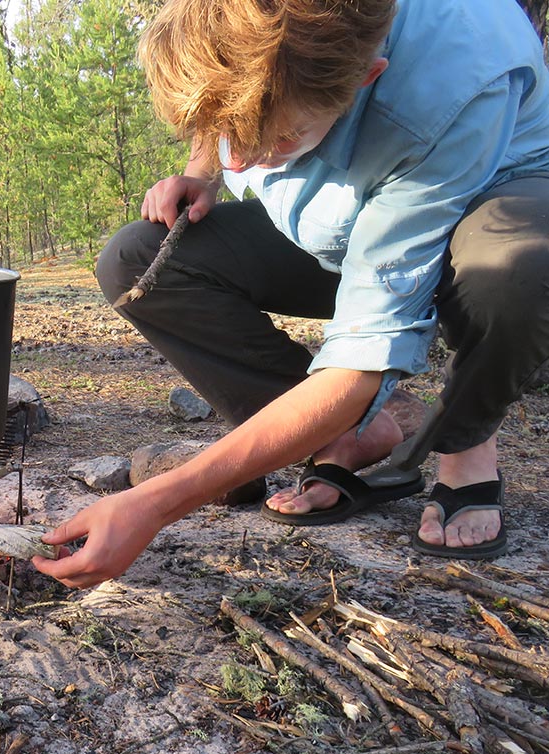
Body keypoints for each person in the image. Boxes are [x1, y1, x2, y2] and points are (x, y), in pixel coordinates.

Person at [34, 0, 549, 588]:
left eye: (273, 137)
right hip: (337, 222)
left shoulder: (458, 80)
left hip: (487, 196)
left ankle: (467, 439)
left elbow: (360, 363)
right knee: (138, 259)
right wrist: (203, 168)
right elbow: (231, 93)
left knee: (512, 270)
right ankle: (345, 432)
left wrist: (156, 503)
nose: (242, 160)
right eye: (229, 137)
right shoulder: (236, 27)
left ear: (364, 78)